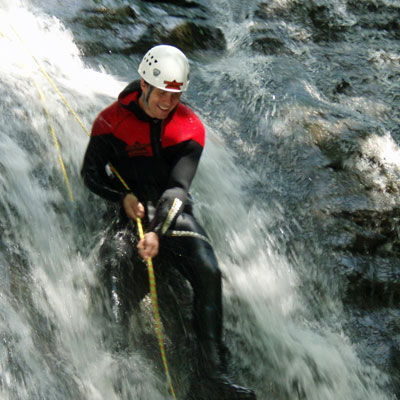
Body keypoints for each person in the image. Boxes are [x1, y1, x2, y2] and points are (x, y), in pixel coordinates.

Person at [81, 44, 256, 400]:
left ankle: (210, 374)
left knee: (208, 269)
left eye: (175, 94)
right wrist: (122, 197)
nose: (167, 101)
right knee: (114, 265)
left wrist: (159, 233)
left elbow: (178, 188)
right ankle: (116, 366)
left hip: (170, 213)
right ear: (144, 85)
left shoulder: (189, 127)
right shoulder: (110, 121)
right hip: (127, 211)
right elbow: (90, 174)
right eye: (162, 92)